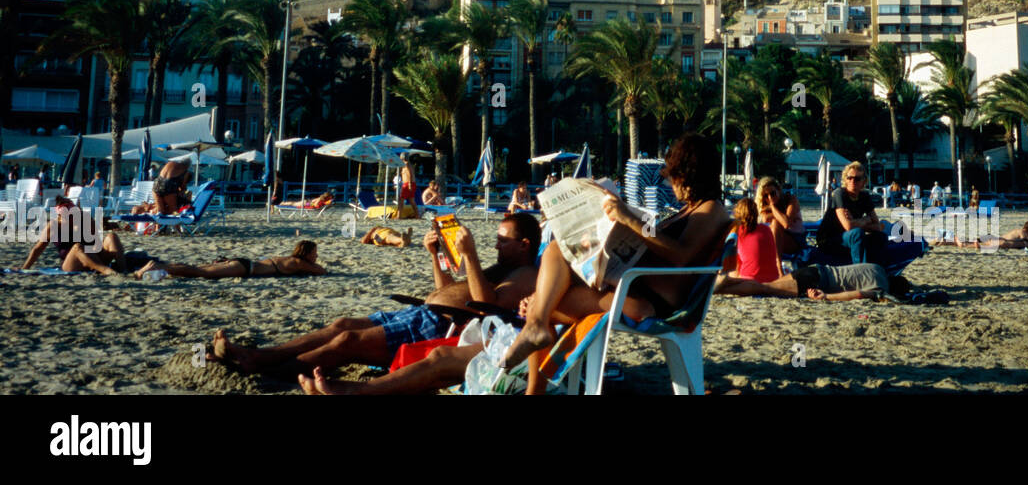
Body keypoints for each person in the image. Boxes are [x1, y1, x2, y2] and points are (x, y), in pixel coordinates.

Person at [500, 133, 730, 394]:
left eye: (673, 175)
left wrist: (631, 220)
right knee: (556, 251)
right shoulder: (690, 209)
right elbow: (658, 243)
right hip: (633, 285)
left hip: (653, 302)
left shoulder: (711, 210)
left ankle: (535, 369)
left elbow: (681, 255)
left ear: (690, 174)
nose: (670, 182)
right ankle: (536, 332)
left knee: (540, 306)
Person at [213, 214, 541, 377]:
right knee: (341, 325)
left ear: (525, 245)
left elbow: (486, 308)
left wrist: (469, 255)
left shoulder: (525, 274)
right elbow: (445, 292)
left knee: (347, 344)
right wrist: (433, 254)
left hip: (441, 328)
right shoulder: (502, 268)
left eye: (503, 240)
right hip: (425, 314)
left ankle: (258, 366)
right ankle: (260, 355)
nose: (496, 245)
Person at [21, 197, 135, 275]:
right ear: (60, 217)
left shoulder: (85, 219)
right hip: (71, 264)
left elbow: (96, 244)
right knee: (77, 247)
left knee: (111, 236)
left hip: (92, 257)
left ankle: (123, 271)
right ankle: (107, 271)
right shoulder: (53, 226)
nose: (72, 218)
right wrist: (24, 268)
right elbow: (38, 249)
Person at [717, 260, 902, 302]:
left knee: (764, 287)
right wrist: (826, 296)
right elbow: (859, 294)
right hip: (814, 282)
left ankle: (721, 286)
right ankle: (720, 287)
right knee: (763, 288)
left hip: (814, 270)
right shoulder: (881, 288)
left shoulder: (877, 268)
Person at [135, 240, 326, 280]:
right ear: (306, 253)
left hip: (242, 262)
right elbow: (321, 271)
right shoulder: (299, 263)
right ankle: (157, 266)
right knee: (200, 273)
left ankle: (159, 267)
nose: (316, 256)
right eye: (314, 252)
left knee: (195, 268)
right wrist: (313, 264)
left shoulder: (288, 259)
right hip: (243, 268)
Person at [817, 162, 886, 265]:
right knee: (857, 233)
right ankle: (859, 272)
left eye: (857, 179)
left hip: (849, 237)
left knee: (881, 237)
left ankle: (877, 269)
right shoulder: (839, 194)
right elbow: (848, 226)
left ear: (864, 182)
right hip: (830, 240)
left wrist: (856, 222)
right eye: (849, 178)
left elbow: (878, 226)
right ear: (845, 179)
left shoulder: (864, 196)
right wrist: (865, 220)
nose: (852, 181)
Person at [726, 197, 779, 283]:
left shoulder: (738, 232)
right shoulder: (766, 229)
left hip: (749, 279)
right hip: (773, 278)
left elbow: (734, 265)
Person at [756, 176, 804, 257]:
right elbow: (765, 218)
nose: (770, 197)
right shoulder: (765, 205)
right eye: (766, 196)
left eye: (772, 193)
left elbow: (786, 223)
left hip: (796, 239)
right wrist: (780, 215)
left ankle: (777, 264)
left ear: (778, 190)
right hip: (777, 239)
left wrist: (772, 207)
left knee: (775, 223)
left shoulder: (791, 199)